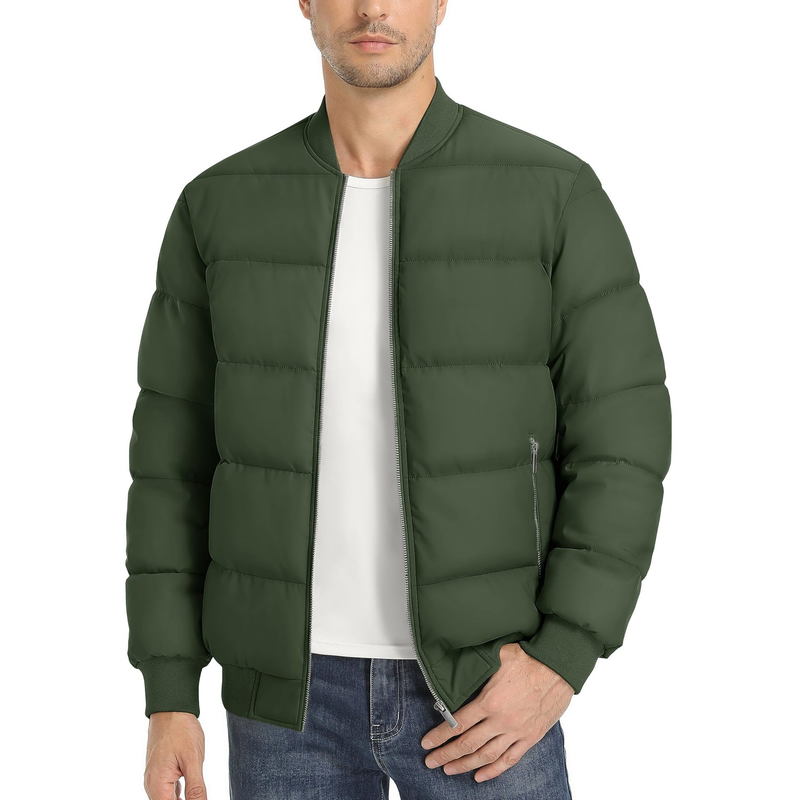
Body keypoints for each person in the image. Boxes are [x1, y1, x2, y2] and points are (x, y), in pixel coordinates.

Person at [126, 1, 671, 798]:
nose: (373, 7)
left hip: (482, 694)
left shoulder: (552, 194)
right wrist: (170, 692)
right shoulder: (220, 206)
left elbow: (624, 444)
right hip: (283, 706)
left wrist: (561, 659)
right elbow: (170, 469)